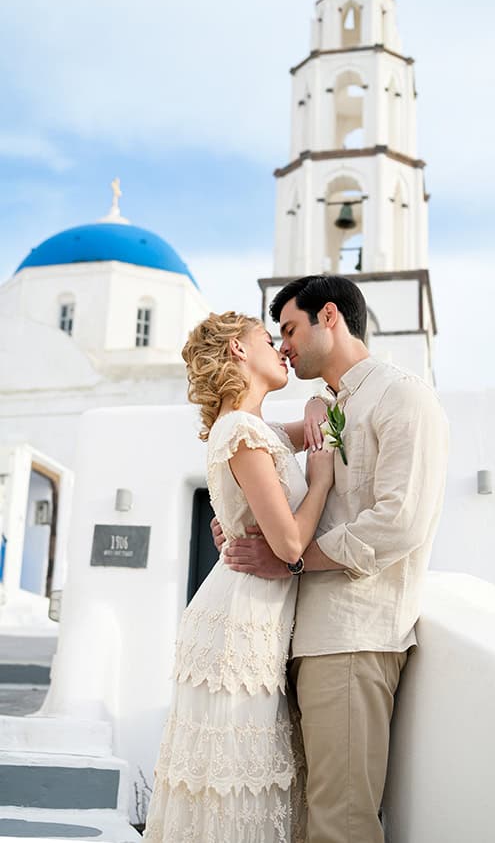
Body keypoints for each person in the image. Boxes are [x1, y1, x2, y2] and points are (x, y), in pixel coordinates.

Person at [215, 275, 449, 843]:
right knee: (305, 816)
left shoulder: (403, 396)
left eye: (290, 329)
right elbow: (257, 466)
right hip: (300, 638)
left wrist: (292, 562)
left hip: (352, 637)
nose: (284, 346)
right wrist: (238, 521)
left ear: (329, 316)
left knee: (339, 821)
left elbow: (399, 522)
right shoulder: (330, 406)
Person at [143, 310, 333, 843]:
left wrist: (316, 401)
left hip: (253, 615)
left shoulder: (256, 429)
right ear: (238, 351)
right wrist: (319, 483)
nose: (282, 350)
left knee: (243, 775)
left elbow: (318, 424)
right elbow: (289, 544)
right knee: (236, 777)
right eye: (268, 340)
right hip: (238, 625)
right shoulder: (241, 432)